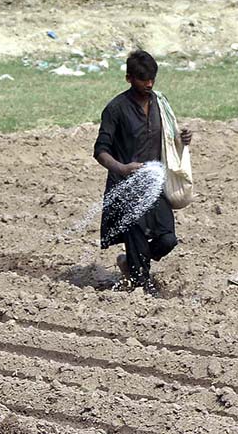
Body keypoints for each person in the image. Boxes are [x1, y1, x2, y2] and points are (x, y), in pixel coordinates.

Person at [93, 50, 192, 294]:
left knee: (168, 239)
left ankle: (130, 262)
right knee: (135, 234)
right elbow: (100, 150)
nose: (148, 84)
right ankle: (141, 283)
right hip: (125, 187)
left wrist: (182, 138)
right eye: (142, 79)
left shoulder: (160, 103)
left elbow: (169, 136)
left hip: (154, 183)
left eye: (152, 79)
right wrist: (122, 168)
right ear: (129, 78)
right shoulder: (115, 109)